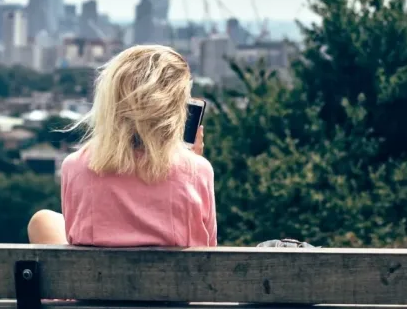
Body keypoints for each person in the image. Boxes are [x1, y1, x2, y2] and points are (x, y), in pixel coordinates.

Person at [25, 44, 318, 249]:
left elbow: (77, 238)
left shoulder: (76, 166)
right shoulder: (196, 171)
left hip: (93, 302)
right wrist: (190, 163)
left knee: (44, 220)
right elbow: (206, 250)